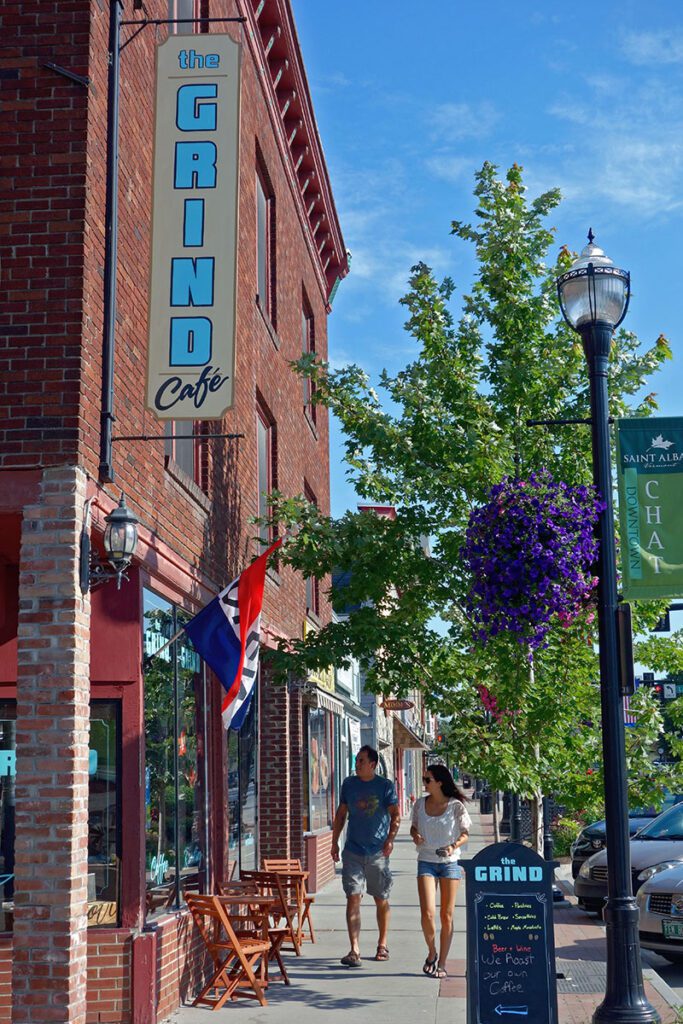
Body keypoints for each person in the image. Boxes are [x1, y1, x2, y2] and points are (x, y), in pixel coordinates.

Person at [330, 744, 400, 967]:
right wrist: (334, 843)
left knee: (381, 899)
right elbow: (341, 815)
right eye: (357, 760)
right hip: (353, 850)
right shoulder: (349, 785)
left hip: (377, 852)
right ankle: (354, 949)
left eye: (361, 761)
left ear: (373, 764)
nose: (357, 764)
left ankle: (382, 943)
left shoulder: (385, 786)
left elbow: (395, 815)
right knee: (353, 897)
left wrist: (390, 839)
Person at [410, 764, 471, 979]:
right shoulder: (420, 804)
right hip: (426, 860)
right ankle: (432, 951)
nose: (424, 783)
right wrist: (415, 835)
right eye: (424, 779)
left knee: (447, 915)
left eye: (428, 780)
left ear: (439, 782)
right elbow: (414, 827)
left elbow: (465, 833)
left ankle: (442, 963)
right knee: (427, 913)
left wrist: (453, 846)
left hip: (450, 862)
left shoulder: (456, 806)